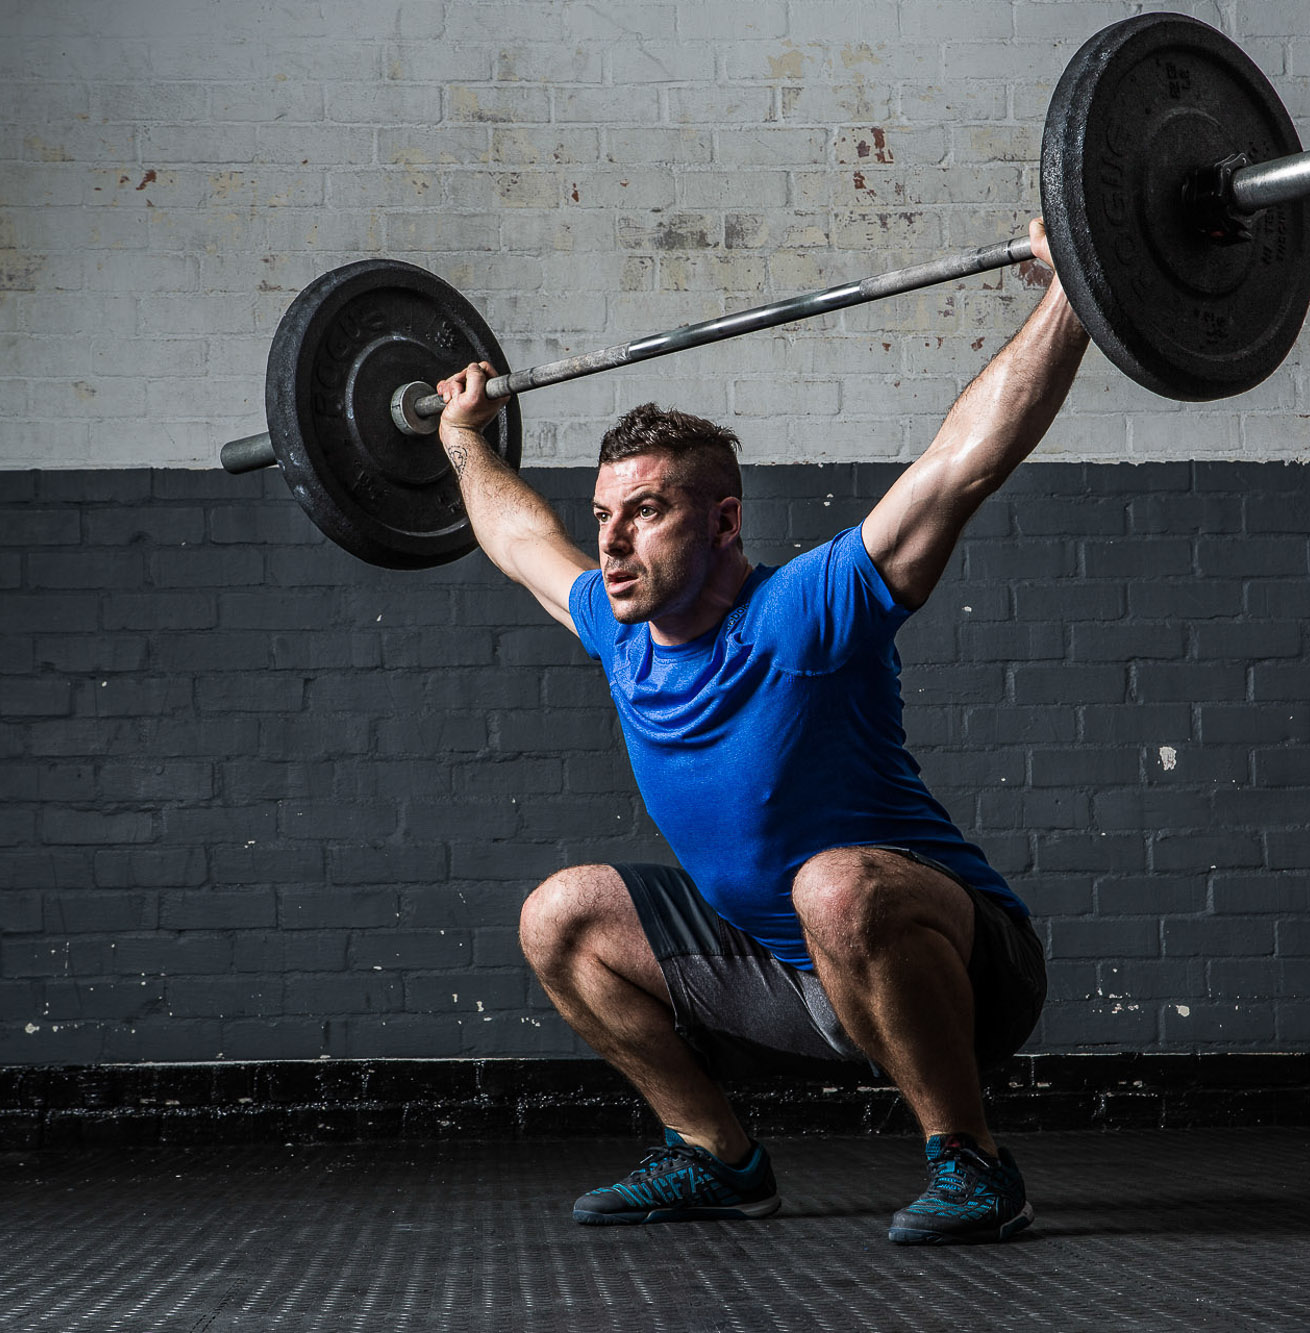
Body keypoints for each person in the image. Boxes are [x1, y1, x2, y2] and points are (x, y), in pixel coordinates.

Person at [433, 218, 1087, 1245]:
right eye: (603, 514)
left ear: (724, 523)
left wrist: (1070, 290)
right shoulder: (619, 630)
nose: (609, 541)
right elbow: (518, 535)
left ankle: (971, 1161)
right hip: (786, 978)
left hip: (962, 970)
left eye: (643, 512)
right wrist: (461, 437)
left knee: (832, 883)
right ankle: (715, 1156)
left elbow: (964, 461)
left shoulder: (806, 610)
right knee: (559, 914)